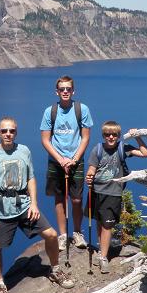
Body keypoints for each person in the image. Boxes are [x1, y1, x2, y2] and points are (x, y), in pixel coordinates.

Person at [0, 117, 74, 293]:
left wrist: (34, 204)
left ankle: (55, 269)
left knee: (52, 235)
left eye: (11, 131)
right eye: (4, 131)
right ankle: (0, 284)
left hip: (25, 205)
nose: (8, 134)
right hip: (1, 209)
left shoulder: (24, 151)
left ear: (16, 132)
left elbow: (31, 179)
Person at [85, 121, 147, 273]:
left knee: (107, 225)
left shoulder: (123, 148)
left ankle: (103, 257)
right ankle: (102, 250)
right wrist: (89, 176)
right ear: (103, 135)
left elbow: (145, 154)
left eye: (114, 134)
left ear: (119, 136)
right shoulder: (98, 149)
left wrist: (137, 137)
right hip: (97, 190)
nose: (111, 137)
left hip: (113, 192)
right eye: (107, 134)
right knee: (99, 221)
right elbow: (92, 168)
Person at [40, 75, 93, 251]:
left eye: (68, 89)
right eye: (62, 89)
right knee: (60, 199)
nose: (65, 92)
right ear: (57, 92)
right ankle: (63, 235)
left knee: (77, 199)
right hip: (56, 162)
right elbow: (45, 140)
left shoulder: (81, 109)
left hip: (76, 160)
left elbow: (85, 137)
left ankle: (77, 233)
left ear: (73, 91)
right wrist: (60, 159)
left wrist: (74, 159)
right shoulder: (50, 112)